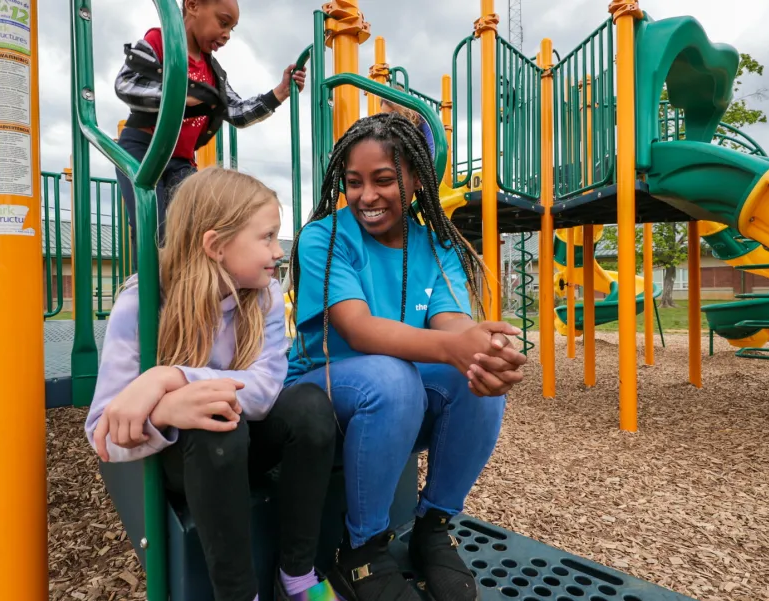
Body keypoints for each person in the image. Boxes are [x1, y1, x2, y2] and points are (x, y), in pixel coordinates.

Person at [284, 113, 527, 601]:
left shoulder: (436, 245)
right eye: (354, 183)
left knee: (470, 372)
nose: (367, 196)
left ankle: (432, 527)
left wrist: (484, 346)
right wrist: (453, 347)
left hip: (394, 401)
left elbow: (452, 323)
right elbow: (358, 328)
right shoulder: (323, 238)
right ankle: (363, 549)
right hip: (317, 394)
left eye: (384, 180)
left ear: (415, 181)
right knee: (393, 378)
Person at [86, 168, 341, 601]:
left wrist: (170, 377)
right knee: (213, 425)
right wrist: (166, 412)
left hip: (243, 442)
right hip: (186, 459)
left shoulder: (264, 297)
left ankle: (296, 575)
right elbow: (102, 432)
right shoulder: (144, 301)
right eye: (267, 237)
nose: (278, 251)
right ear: (216, 245)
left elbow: (264, 389)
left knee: (311, 406)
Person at [113, 0, 306, 252]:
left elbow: (237, 111)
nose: (226, 35)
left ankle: (188, 287)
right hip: (142, 147)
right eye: (223, 22)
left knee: (197, 225)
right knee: (153, 225)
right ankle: (146, 289)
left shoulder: (213, 72)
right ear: (193, 5)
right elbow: (126, 84)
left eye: (231, 29)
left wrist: (279, 93)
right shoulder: (160, 42)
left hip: (180, 160)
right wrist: (177, 96)